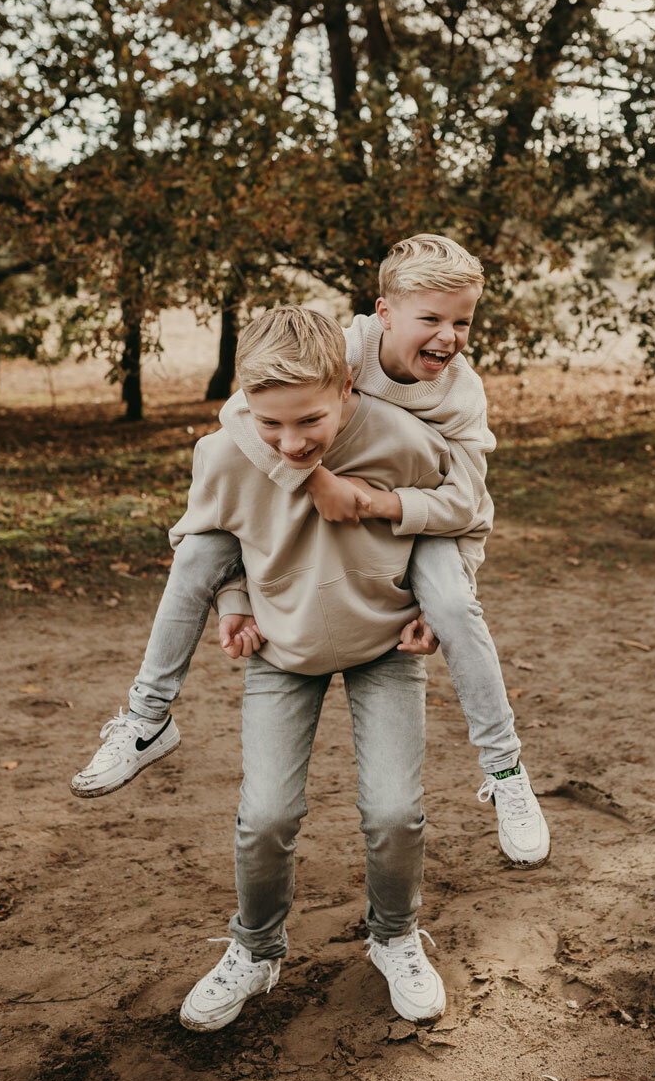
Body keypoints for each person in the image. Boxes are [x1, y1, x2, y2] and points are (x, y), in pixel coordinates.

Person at [71, 234, 549, 869]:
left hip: (424, 522)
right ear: (383, 312)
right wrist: (313, 481)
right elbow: (242, 414)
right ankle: (145, 717)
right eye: (430, 318)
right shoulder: (340, 350)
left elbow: (468, 507)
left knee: (459, 608)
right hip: (299, 509)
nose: (449, 335)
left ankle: (506, 768)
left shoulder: (460, 394)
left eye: (462, 320)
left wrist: (379, 509)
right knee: (194, 554)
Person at [170, 306, 450, 1029]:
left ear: (348, 388)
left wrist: (436, 605)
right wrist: (234, 600)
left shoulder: (405, 441)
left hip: (384, 642)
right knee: (265, 816)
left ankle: (395, 937)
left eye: (309, 423)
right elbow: (217, 533)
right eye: (270, 424)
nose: (289, 443)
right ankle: (255, 949)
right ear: (244, 405)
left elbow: (453, 523)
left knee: (394, 810)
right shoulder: (231, 453)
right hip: (280, 648)